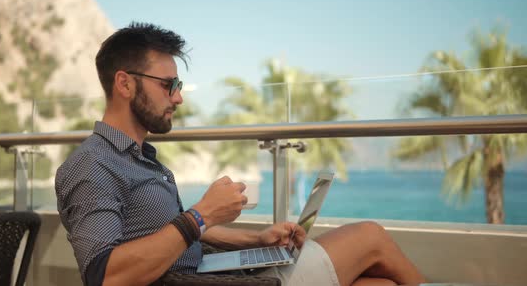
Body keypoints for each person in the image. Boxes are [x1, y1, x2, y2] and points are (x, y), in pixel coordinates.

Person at [55, 22, 427, 286]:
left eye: (178, 85)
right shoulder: (92, 165)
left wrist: (257, 239)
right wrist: (200, 216)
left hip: (206, 274)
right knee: (370, 236)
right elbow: (104, 275)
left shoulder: (141, 158)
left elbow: (171, 237)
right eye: (169, 85)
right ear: (124, 83)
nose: (178, 97)